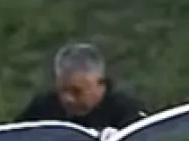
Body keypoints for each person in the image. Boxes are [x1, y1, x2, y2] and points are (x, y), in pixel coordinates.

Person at [15, 43, 146, 130]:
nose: (68, 99)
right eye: (62, 90)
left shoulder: (124, 111)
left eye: (76, 91)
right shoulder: (42, 109)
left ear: (100, 84)